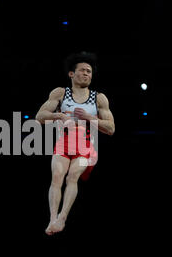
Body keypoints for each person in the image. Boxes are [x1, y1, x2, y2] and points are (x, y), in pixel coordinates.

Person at [35, 52, 115, 235]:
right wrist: (58, 115)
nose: (87, 73)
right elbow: (39, 117)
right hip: (64, 142)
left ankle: (63, 216)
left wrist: (89, 117)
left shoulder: (99, 98)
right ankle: (53, 218)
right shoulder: (60, 93)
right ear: (71, 74)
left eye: (89, 71)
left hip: (86, 144)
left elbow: (111, 128)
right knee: (56, 176)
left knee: (72, 176)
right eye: (82, 70)